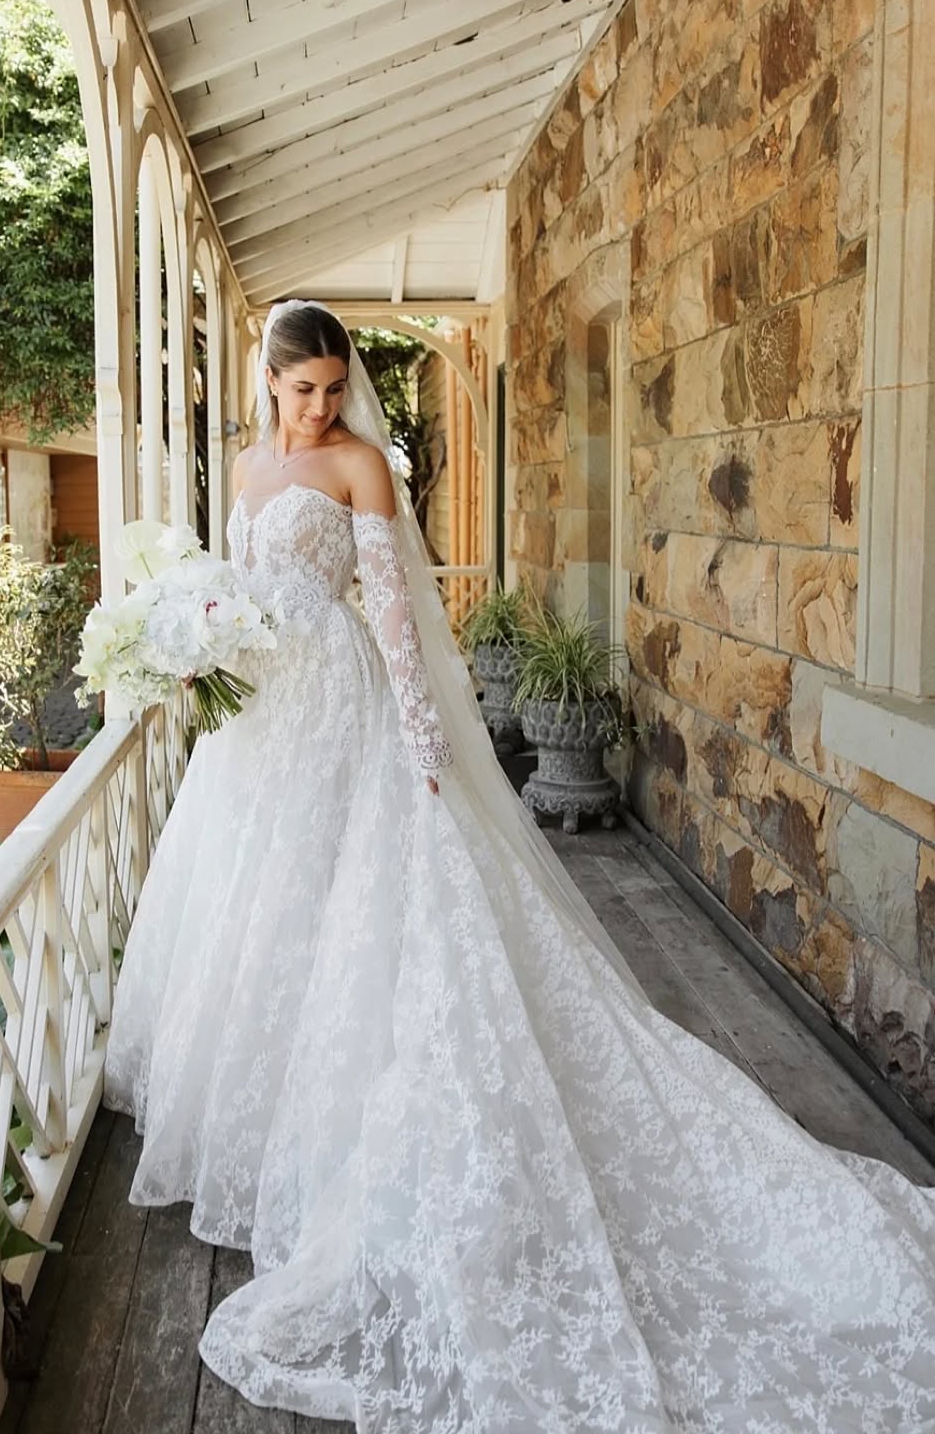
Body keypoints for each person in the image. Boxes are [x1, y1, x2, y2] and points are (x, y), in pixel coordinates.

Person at [104, 300, 935, 1432]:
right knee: (271, 911)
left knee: (369, 911)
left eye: (335, 388)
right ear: (265, 380)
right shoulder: (246, 467)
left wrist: (423, 736)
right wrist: (201, 645)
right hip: (262, 728)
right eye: (303, 389)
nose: (321, 406)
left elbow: (393, 612)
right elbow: (236, 595)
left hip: (346, 712)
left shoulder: (361, 468)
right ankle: (266, 1132)